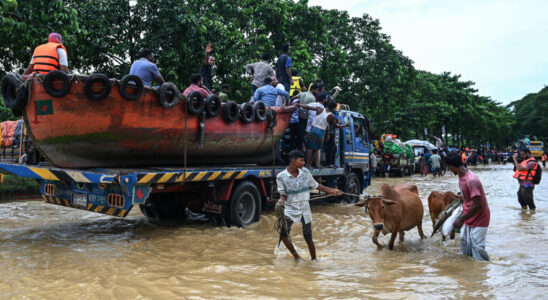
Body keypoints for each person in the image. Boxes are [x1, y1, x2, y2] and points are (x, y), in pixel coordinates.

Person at [276, 150, 343, 260]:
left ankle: (314, 260)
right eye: (301, 160)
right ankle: (297, 257)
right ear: (293, 161)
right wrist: (281, 200)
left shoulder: (305, 172)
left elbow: (316, 185)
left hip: (304, 209)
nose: (304, 162)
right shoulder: (281, 177)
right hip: (290, 209)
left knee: (308, 237)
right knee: (283, 235)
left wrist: (332, 191)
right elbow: (282, 193)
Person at [446, 151, 490, 261]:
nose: (449, 170)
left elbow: (478, 204)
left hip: (480, 218)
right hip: (468, 216)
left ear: (451, 166)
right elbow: (470, 197)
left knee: (477, 249)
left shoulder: (471, 180)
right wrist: (462, 197)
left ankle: (481, 272)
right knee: (465, 248)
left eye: (448, 168)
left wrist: (461, 220)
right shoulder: (462, 176)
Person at [290, 84, 320, 151]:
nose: (318, 92)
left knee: (296, 133)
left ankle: (296, 147)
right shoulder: (313, 98)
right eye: (317, 90)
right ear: (312, 89)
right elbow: (312, 112)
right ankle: (302, 146)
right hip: (305, 118)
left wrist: (289, 105)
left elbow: (292, 98)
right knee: (302, 134)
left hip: (297, 117)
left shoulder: (302, 93)